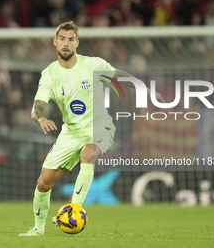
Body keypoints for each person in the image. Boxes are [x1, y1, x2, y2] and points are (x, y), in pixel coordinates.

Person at [19, 21, 165, 236]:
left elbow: (120, 76)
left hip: (100, 127)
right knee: (43, 183)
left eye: (70, 39)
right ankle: (38, 229)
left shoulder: (93, 65)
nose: (66, 43)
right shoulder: (49, 74)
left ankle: (74, 211)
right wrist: (40, 119)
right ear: (55, 42)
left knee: (88, 155)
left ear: (77, 43)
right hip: (70, 133)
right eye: (62, 39)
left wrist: (147, 90)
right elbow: (36, 108)